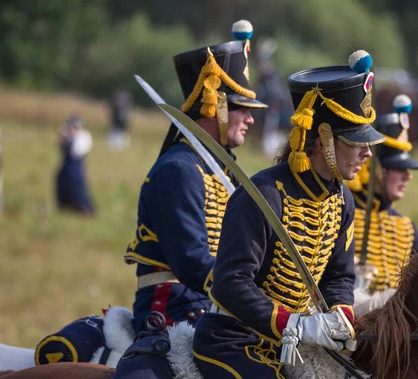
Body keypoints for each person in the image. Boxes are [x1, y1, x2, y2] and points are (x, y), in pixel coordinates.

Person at [192, 50, 385, 378]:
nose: (368, 152)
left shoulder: (343, 202)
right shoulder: (264, 195)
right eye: (355, 142)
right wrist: (294, 324)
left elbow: (338, 276)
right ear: (323, 138)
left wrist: (339, 315)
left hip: (291, 344)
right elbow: (230, 282)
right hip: (233, 339)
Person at [111, 20, 268, 377]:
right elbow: (194, 263)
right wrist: (255, 298)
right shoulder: (179, 170)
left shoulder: (220, 171)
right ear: (216, 106)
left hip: (215, 306)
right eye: (243, 109)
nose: (250, 120)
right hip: (177, 310)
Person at [346, 95, 418, 295]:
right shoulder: (343, 214)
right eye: (399, 169)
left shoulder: (408, 229)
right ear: (377, 168)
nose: (408, 177)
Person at [55, 114, 95, 215]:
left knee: (78, 190)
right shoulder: (67, 135)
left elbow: (76, 151)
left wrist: (71, 137)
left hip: (76, 170)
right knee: (61, 182)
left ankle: (83, 208)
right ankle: (64, 206)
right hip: (66, 168)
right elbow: (59, 146)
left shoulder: (84, 137)